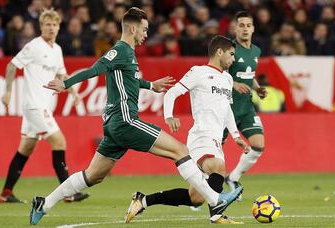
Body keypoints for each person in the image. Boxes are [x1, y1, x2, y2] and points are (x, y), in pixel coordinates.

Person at [29, 7, 243, 225]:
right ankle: (215, 199)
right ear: (133, 28)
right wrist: (65, 84)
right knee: (180, 151)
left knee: (92, 176)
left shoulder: (128, 54)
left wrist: (150, 85)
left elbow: (129, 79)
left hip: (114, 125)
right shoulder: (120, 50)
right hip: (125, 120)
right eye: (144, 29)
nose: (146, 35)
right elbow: (96, 68)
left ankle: (44, 203)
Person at [125, 35, 248, 224]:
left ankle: (143, 200)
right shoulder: (198, 72)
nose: (233, 59)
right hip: (201, 135)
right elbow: (172, 93)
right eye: (231, 54)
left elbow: (227, 109)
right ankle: (216, 214)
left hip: (215, 138)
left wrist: (236, 135)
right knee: (217, 167)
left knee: (195, 197)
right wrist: (169, 116)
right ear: (219, 52)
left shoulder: (228, 79)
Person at [0, 9, 89, 204]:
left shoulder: (56, 49)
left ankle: (6, 192)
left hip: (42, 107)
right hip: (34, 106)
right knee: (60, 142)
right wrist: (7, 91)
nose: (51, 28)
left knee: (26, 148)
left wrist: (73, 92)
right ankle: (68, 192)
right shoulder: (34, 46)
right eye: (47, 24)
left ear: (58, 27)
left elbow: (62, 75)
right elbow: (12, 65)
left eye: (54, 25)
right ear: (41, 26)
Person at [223, 11, 267, 200]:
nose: (245, 29)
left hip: (246, 108)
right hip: (226, 108)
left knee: (258, 144)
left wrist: (257, 88)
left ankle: (233, 178)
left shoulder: (256, 51)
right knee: (215, 151)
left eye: (248, 25)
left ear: (253, 28)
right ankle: (201, 192)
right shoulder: (229, 49)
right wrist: (232, 84)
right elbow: (216, 72)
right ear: (235, 28)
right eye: (241, 25)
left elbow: (249, 74)